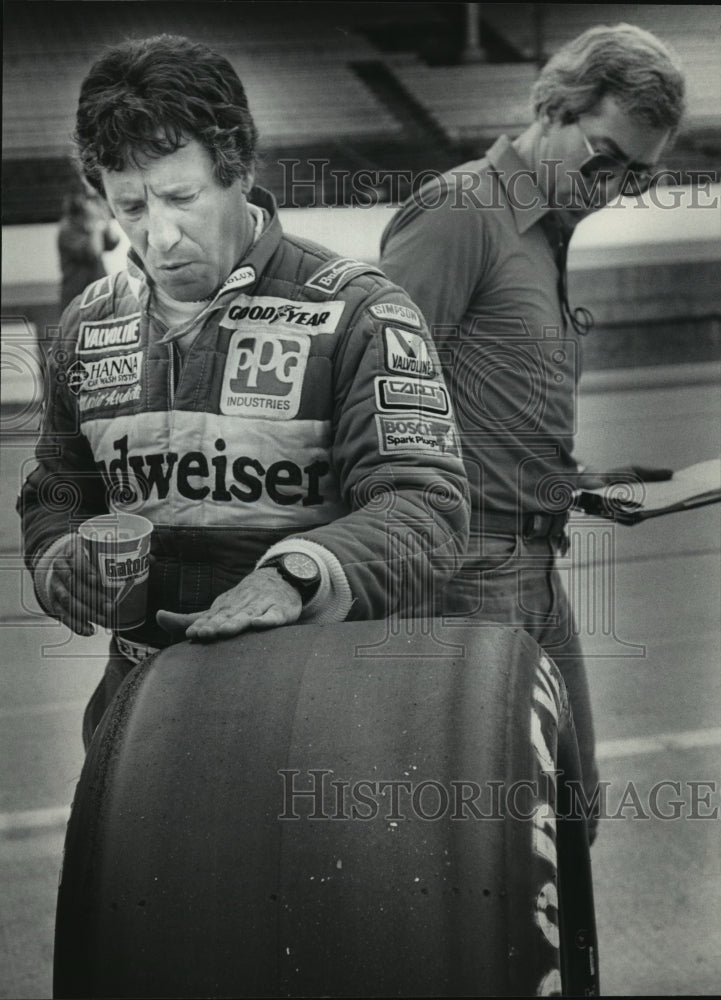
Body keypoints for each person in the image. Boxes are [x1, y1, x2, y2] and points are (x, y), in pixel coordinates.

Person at [17, 34, 469, 747]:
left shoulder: (357, 312)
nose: (158, 236)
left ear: (239, 169)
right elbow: (56, 489)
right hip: (135, 731)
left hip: (312, 724)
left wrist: (296, 575)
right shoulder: (87, 322)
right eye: (129, 206)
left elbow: (428, 512)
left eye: (180, 197)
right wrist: (56, 560)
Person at [379, 23, 686, 835]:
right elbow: (366, 391)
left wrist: (575, 479)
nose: (617, 184)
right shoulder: (459, 213)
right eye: (606, 157)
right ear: (554, 108)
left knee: (570, 817)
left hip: (534, 565)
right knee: (487, 836)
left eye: (639, 174)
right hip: (459, 573)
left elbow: (488, 404)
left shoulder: (547, 233)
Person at [57, 183, 119, 311]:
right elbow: (94, 252)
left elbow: (113, 242)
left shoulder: (89, 225)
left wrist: (106, 218)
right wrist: (95, 223)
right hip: (78, 294)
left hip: (99, 291)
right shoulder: (68, 229)